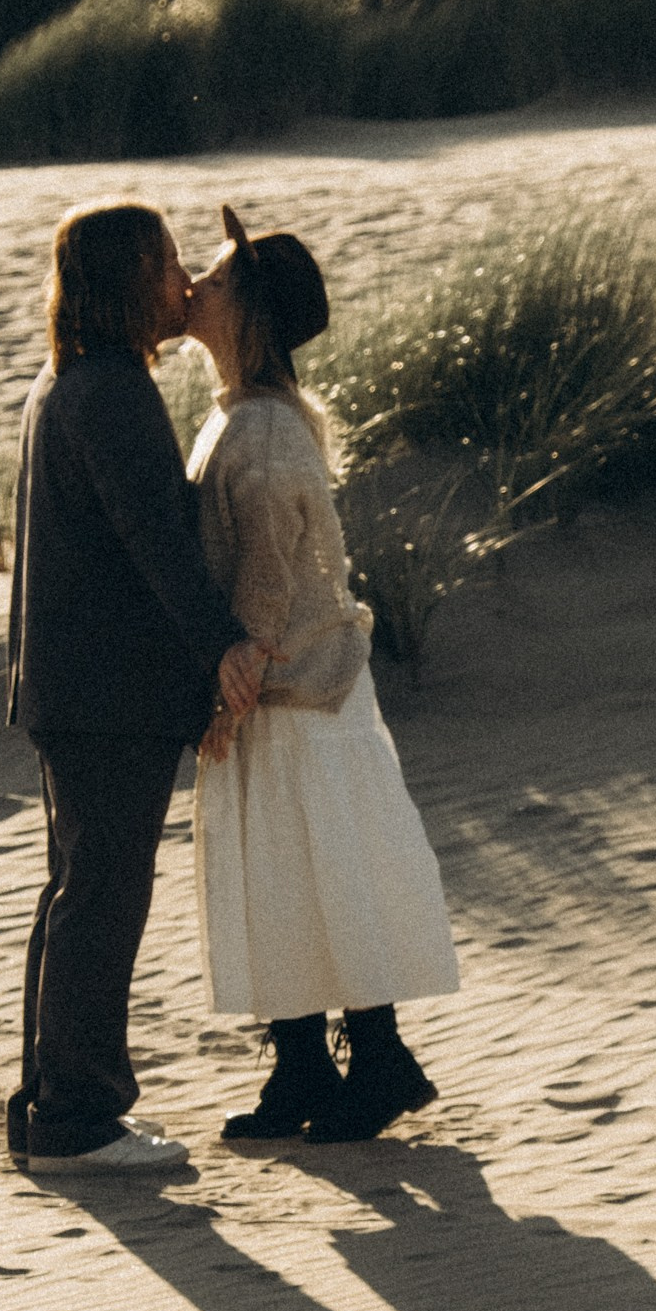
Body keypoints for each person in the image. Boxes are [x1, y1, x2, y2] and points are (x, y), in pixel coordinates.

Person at [183, 209, 459, 1143]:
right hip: (283, 686)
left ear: (249, 313)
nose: (196, 286)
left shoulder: (261, 429)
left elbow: (267, 558)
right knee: (277, 872)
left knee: (319, 864)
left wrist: (241, 674)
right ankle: (301, 1063)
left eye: (216, 279)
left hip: (298, 686)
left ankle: (378, 1059)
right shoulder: (243, 414)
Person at [6, 200, 266, 1173]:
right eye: (163, 263)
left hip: (73, 691)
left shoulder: (69, 379)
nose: (182, 279)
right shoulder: (107, 390)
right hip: (104, 696)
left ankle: (49, 1105)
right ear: (124, 281)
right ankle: (76, 1118)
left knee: (77, 891)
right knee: (100, 898)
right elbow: (155, 541)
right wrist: (223, 646)